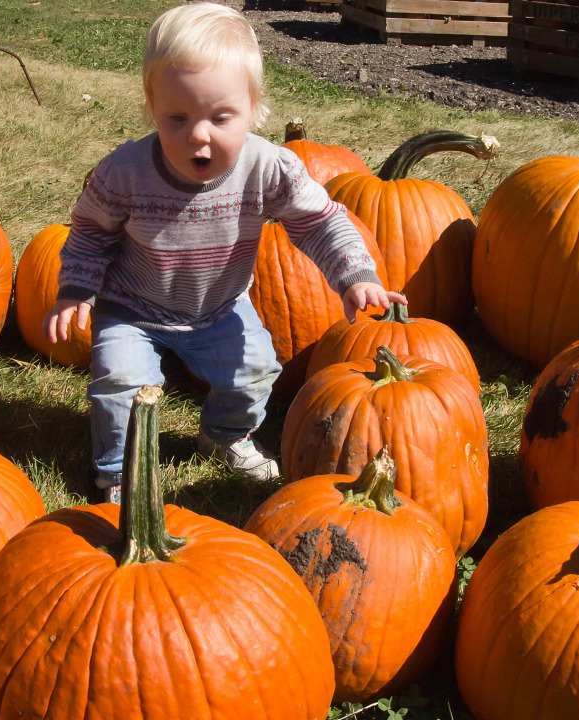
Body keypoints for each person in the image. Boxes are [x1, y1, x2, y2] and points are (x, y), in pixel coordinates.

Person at [43, 1, 406, 504]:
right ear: (152, 106)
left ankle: (224, 435)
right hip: (132, 306)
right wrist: (76, 289)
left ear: (255, 109)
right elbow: (89, 232)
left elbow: (319, 221)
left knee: (255, 371)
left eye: (220, 117)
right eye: (177, 116)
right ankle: (118, 472)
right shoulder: (123, 173)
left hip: (219, 308)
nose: (198, 134)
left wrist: (353, 275)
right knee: (122, 384)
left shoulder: (268, 167)